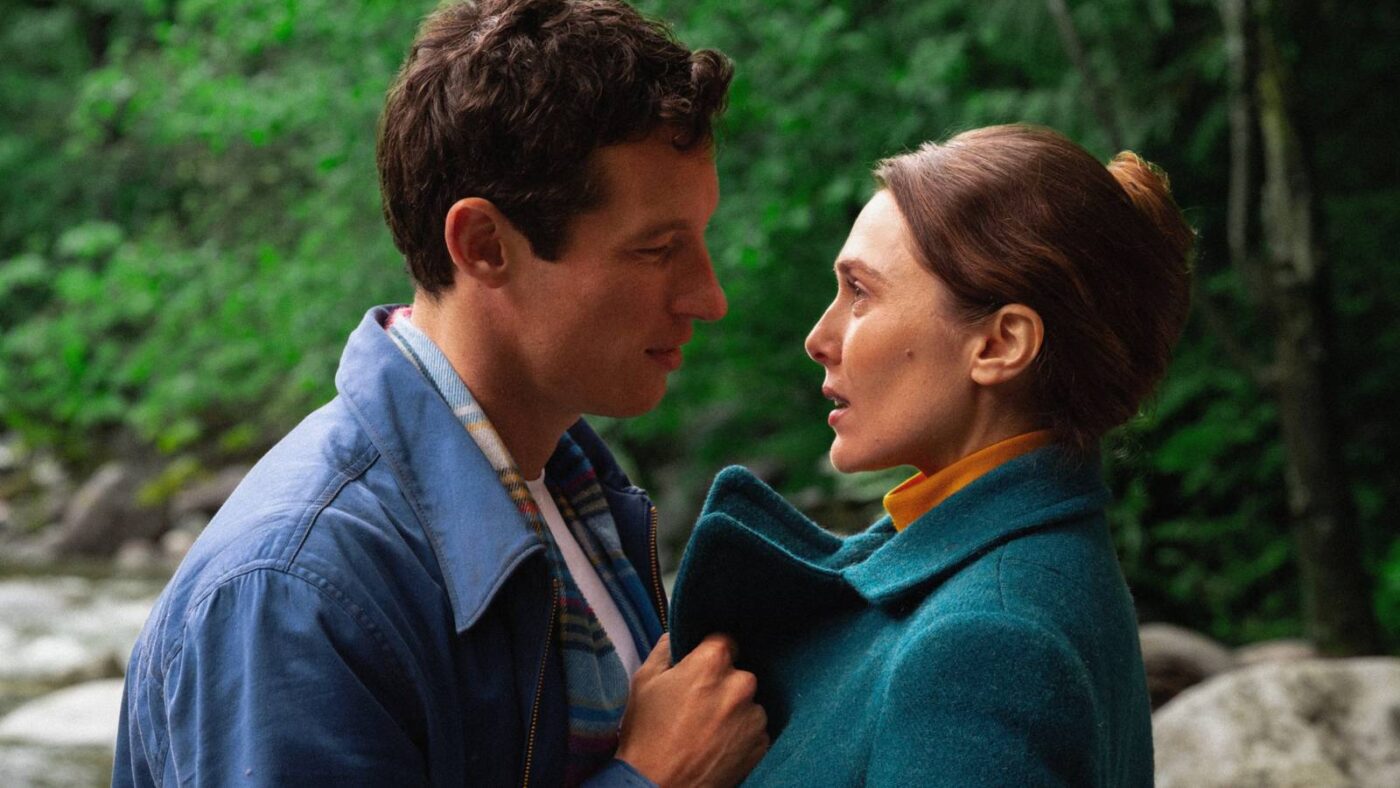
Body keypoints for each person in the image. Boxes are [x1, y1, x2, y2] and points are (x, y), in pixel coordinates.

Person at [113, 0, 769, 784]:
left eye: (700, 240)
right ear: (484, 245)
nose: (709, 297)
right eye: (658, 249)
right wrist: (650, 780)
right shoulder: (292, 592)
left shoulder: (576, 496)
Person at [668, 124, 1193, 786]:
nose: (819, 338)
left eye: (860, 293)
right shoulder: (1023, 575)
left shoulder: (987, 645)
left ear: (1000, 344)